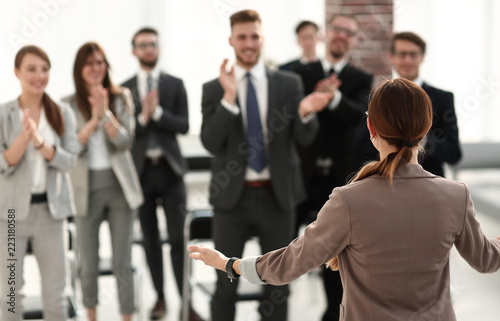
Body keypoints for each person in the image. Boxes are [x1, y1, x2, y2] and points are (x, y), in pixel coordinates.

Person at [190, 78, 500, 321]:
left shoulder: (349, 200)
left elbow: (292, 263)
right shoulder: (456, 196)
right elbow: (487, 259)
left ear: (371, 128)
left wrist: (230, 264)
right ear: (427, 128)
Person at [200, 9, 332, 321]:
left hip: (278, 199)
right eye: (242, 37)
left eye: (254, 36)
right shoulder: (214, 89)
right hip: (232, 201)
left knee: (278, 285)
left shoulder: (289, 83)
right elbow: (210, 142)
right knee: (225, 284)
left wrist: (305, 113)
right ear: (231, 40)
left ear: (262, 39)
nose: (249, 43)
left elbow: (304, 138)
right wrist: (229, 98)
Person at [291, 13, 373, 320]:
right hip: (301, 176)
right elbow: (290, 118)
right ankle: (276, 306)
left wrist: (334, 97)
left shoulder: (360, 79)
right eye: (337, 29)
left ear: (353, 41)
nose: (342, 36)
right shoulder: (299, 72)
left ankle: (331, 313)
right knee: (285, 243)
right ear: (326, 33)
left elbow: (360, 116)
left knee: (335, 249)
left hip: (340, 180)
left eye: (349, 33)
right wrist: (312, 103)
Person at [63, 42, 143, 321]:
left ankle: (126, 316)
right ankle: (92, 315)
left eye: (100, 62)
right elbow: (71, 150)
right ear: (79, 69)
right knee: (88, 263)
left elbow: (124, 141)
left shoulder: (121, 97)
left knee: (123, 261)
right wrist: (93, 119)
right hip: (85, 191)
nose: (96, 68)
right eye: (89, 63)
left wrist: (106, 114)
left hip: (120, 188)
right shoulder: (68, 104)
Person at [0, 45, 79, 321]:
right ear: (16, 73)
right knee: (9, 297)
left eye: (44, 69)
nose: (39, 75)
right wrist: (24, 137)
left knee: (56, 295)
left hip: (51, 213)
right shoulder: (3, 113)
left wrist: (41, 144)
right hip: (10, 215)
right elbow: (2, 164)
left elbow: (70, 161)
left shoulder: (61, 112)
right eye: (32, 69)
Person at [121, 27, 192, 320]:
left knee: (178, 239)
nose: (148, 48)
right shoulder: (123, 88)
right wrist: (143, 117)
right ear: (134, 50)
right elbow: (123, 134)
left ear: (159, 48)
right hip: (141, 174)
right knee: (150, 239)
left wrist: (160, 113)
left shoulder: (174, 84)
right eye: (142, 44)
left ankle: (186, 302)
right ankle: (160, 299)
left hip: (171, 172)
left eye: (153, 44)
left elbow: (185, 124)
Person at [356, 32, 462, 177]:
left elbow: (454, 153)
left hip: (431, 188)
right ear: (391, 58)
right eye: (402, 54)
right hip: (385, 182)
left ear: (422, 57)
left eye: (413, 54)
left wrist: (420, 137)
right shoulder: (376, 97)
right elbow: (360, 147)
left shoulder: (443, 98)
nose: (407, 60)